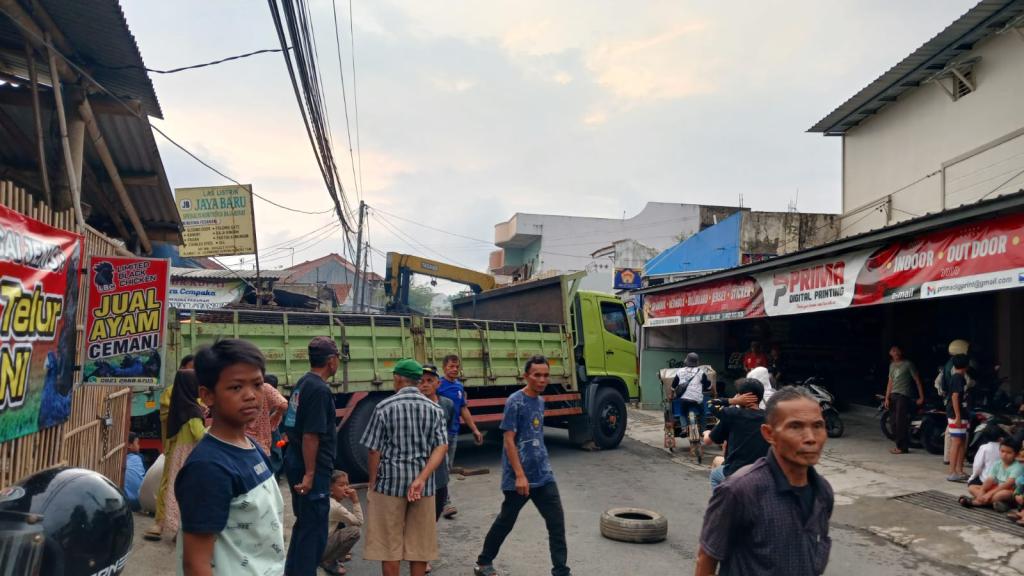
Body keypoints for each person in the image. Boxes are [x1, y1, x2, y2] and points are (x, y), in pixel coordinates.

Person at [696, 386, 834, 576]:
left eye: (817, 426)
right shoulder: (739, 491)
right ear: (769, 434)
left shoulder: (823, 492)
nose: (810, 438)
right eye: (795, 427)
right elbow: (706, 560)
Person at [176, 339, 285, 575]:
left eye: (257, 384)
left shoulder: (253, 448)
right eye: (236, 387)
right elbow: (196, 564)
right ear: (207, 395)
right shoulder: (208, 468)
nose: (251, 395)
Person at [474, 356, 570, 576]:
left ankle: (561, 571)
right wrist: (519, 475)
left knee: (556, 524)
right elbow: (509, 440)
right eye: (537, 375)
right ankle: (483, 562)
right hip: (519, 478)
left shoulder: (540, 401)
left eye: (546, 375)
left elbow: (535, 435)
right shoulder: (515, 401)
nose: (542, 380)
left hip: (543, 475)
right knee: (506, 521)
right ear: (526, 376)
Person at [360, 358, 448, 576]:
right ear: (418, 380)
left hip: (389, 484)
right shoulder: (434, 409)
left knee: (389, 547)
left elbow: (373, 450)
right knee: (420, 548)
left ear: (398, 378)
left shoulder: (384, 407)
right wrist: (422, 478)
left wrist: (372, 482)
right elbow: (441, 447)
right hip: (423, 487)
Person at [284, 337, 341, 576]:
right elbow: (311, 435)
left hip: (295, 460)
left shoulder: (303, 383)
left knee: (304, 525)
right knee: (314, 532)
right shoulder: (319, 390)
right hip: (311, 468)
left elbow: (291, 423)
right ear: (331, 361)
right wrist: (310, 474)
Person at [145, 355, 196, 541]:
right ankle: (160, 522)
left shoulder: (203, 391)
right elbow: (169, 413)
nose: (194, 373)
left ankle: (181, 527)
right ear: (182, 369)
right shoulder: (172, 391)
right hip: (176, 445)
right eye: (191, 369)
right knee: (168, 484)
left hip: (197, 449)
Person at [160, 369, 207, 538]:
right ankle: (186, 528)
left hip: (178, 453)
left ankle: (176, 527)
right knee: (192, 491)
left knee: (178, 490)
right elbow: (200, 435)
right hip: (190, 455)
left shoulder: (178, 408)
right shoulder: (193, 411)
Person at [436, 354, 484, 519]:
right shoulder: (438, 385)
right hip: (438, 435)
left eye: (457, 367)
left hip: (453, 433)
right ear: (444, 368)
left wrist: (475, 429)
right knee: (441, 468)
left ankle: (440, 500)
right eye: (451, 366)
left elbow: (463, 409)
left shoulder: (459, 387)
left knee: (446, 468)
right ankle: (445, 503)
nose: (454, 369)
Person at [703, 378, 770, 490]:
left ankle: (721, 501)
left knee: (715, 475)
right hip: (763, 474)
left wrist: (733, 401)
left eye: (738, 394)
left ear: (741, 397)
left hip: (736, 473)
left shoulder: (732, 414)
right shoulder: (770, 418)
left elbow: (710, 404)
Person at [959, 439, 1023, 512]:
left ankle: (975, 502)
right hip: (996, 488)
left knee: (1001, 494)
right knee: (972, 487)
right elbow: (990, 480)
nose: (1004, 455)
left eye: (1009, 453)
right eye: (1002, 451)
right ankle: (993, 503)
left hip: (1010, 491)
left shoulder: (1018, 467)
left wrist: (989, 493)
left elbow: (1007, 485)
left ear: (1016, 454)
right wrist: (982, 491)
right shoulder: (997, 463)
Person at [320, 471, 363, 576]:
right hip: (319, 549)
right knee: (355, 531)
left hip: (314, 545)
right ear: (330, 488)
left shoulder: (324, 498)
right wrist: (355, 500)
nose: (346, 488)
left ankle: (336, 555)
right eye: (341, 485)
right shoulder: (335, 506)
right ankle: (329, 561)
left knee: (341, 524)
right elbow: (359, 521)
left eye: (347, 484)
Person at [884, 345, 925, 455]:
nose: (895, 353)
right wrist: (887, 397)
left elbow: (917, 380)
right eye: (893, 351)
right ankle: (899, 445)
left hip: (903, 395)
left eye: (897, 350)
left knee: (900, 422)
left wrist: (921, 396)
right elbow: (890, 382)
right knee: (893, 423)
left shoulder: (908, 364)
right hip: (893, 395)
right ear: (890, 353)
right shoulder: (892, 365)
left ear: (901, 352)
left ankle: (902, 447)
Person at [672, 353, 711, 457]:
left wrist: (672, 393)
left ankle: (684, 429)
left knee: (682, 413)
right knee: (703, 413)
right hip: (697, 400)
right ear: (697, 362)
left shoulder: (680, 371)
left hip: (684, 400)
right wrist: (708, 386)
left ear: (686, 361)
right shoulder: (701, 372)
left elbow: (673, 385)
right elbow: (707, 386)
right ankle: (703, 431)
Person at [245, 373, 289, 456]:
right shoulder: (266, 388)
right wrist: (277, 414)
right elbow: (284, 405)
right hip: (263, 447)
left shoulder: (237, 390)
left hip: (243, 444)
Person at [946, 354, 970, 482]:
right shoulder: (957, 378)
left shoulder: (960, 377)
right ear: (966, 365)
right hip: (956, 414)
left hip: (962, 412)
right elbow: (955, 397)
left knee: (962, 441)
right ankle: (952, 472)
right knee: (956, 441)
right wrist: (958, 416)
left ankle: (959, 470)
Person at [124, 432, 145, 511]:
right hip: (138, 502)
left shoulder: (118, 460)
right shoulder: (138, 458)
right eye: (137, 443)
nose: (139, 446)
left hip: (123, 501)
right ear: (129, 445)